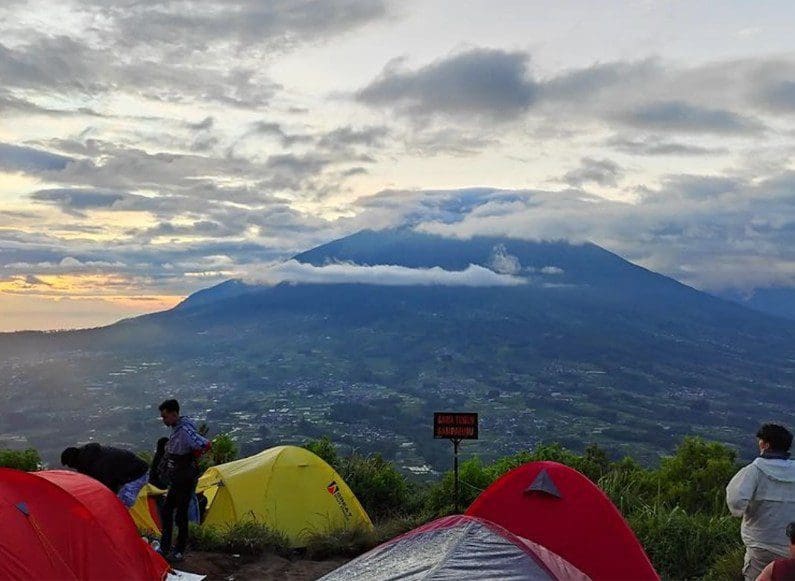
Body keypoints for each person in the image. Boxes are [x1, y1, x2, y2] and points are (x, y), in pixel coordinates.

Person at [727, 424, 795, 581]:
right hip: (791, 547)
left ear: (766, 444)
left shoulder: (753, 471)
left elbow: (736, 502)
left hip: (760, 545)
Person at [157, 399, 211, 563]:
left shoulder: (185, 430)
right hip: (177, 477)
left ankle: (179, 550)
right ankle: (166, 547)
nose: (164, 421)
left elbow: (205, 444)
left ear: (174, 414)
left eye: (165, 417)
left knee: (180, 514)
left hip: (185, 477)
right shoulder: (177, 428)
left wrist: (190, 459)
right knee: (167, 511)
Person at [61, 443, 149, 508]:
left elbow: (109, 488)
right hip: (123, 474)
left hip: (137, 474)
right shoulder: (86, 458)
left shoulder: (98, 464)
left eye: (71, 465)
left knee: (122, 505)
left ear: (74, 462)